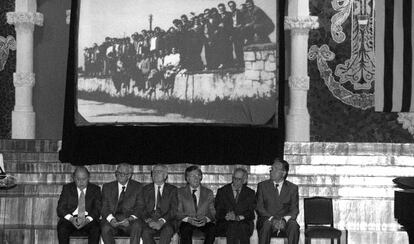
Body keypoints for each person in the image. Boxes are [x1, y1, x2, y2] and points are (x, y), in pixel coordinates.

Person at [256, 159, 300, 244]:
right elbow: (259, 207)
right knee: (266, 225)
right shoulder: (262, 186)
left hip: (285, 221)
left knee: (294, 226)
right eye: (271, 168)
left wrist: (284, 220)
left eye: (275, 169)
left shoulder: (292, 188)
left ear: (283, 173)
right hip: (268, 219)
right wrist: (272, 219)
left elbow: (294, 209)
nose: (271, 171)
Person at [57, 166, 102, 244]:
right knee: (62, 228)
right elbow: (60, 208)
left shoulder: (95, 189)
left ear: (88, 178)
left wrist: (87, 220)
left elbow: (97, 208)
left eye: (84, 179)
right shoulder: (67, 188)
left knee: (96, 228)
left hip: (88, 219)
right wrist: (71, 219)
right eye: (78, 179)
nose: (81, 182)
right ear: (73, 178)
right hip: (71, 219)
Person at [101, 163, 143, 244]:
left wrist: (130, 219)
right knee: (105, 228)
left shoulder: (137, 187)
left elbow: (140, 207)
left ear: (129, 175)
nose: (120, 175)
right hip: (113, 221)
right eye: (118, 173)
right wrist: (111, 219)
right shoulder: (107, 187)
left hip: (129, 222)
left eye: (123, 174)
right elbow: (104, 207)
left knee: (137, 225)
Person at [215, 168, 256, 244]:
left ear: (244, 180)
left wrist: (238, 217)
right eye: (234, 178)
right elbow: (218, 211)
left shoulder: (250, 193)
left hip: (244, 223)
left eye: (239, 179)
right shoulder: (222, 191)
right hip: (225, 223)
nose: (236, 181)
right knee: (232, 225)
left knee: (241, 226)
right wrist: (227, 215)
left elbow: (250, 214)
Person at [177, 166, 216, 244]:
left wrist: (206, 219)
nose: (195, 178)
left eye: (198, 175)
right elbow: (178, 212)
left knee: (212, 229)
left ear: (201, 177)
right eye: (192, 176)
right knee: (185, 229)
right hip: (187, 221)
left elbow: (213, 212)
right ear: (187, 179)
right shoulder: (180, 192)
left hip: (203, 221)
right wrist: (188, 219)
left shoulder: (208, 192)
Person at [140, 165, 178, 244]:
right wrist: (149, 220)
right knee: (145, 232)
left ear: (165, 175)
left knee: (168, 230)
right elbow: (141, 208)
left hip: (167, 221)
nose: (156, 174)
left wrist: (161, 221)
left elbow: (174, 209)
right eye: (154, 172)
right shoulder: (145, 189)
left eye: (159, 172)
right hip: (150, 221)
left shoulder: (173, 190)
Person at [228, 1, 245, 66]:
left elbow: (244, 20)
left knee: (240, 46)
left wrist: (241, 25)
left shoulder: (240, 12)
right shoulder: (229, 14)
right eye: (230, 6)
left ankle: (242, 62)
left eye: (232, 6)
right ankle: (239, 62)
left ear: (235, 5)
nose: (231, 7)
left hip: (240, 31)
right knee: (235, 48)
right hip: (233, 32)